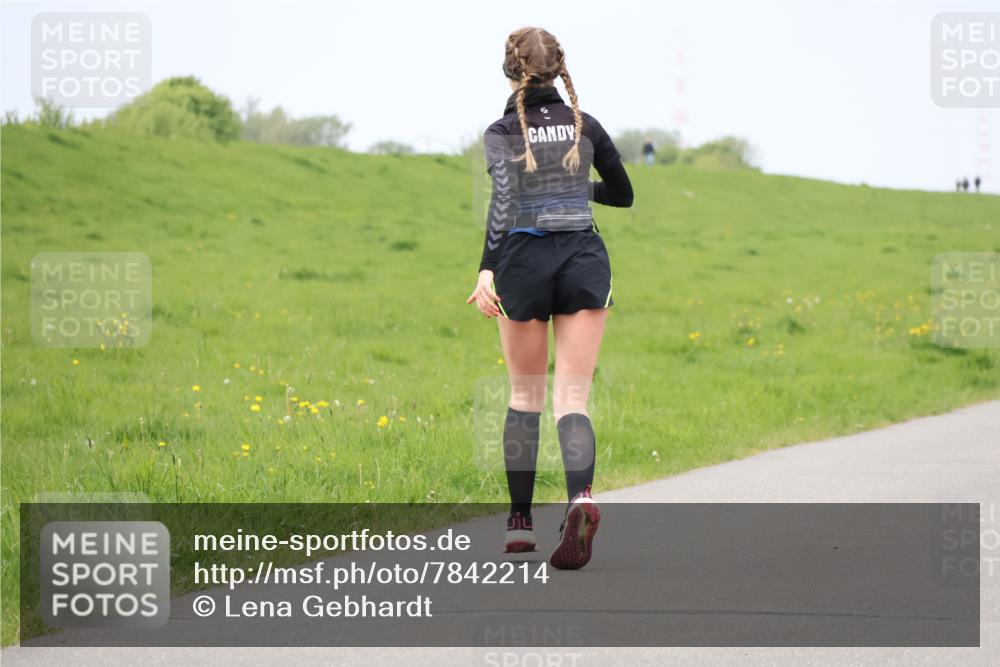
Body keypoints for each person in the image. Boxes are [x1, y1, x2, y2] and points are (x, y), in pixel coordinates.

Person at [466, 26, 633, 570]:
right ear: (560, 69)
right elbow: (624, 195)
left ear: (511, 71)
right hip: (583, 258)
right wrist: (574, 186)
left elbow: (505, 199)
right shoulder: (588, 127)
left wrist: (487, 267)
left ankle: (519, 525)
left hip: (523, 261)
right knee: (573, 398)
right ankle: (580, 497)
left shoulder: (500, 131)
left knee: (524, 394)